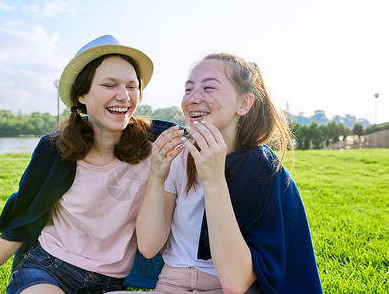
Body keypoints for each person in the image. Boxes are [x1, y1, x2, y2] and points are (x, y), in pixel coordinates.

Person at [0, 35, 173, 294]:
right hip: (49, 269)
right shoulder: (54, 149)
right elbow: (24, 218)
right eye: (109, 85)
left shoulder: (158, 146)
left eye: (132, 86)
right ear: (82, 94)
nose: (123, 96)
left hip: (112, 283)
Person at [127, 53, 323, 293]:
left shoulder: (262, 170)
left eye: (209, 87)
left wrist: (214, 180)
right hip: (171, 283)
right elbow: (148, 247)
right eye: (188, 89)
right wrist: (157, 176)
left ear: (244, 104)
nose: (193, 98)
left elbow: (235, 283)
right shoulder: (179, 157)